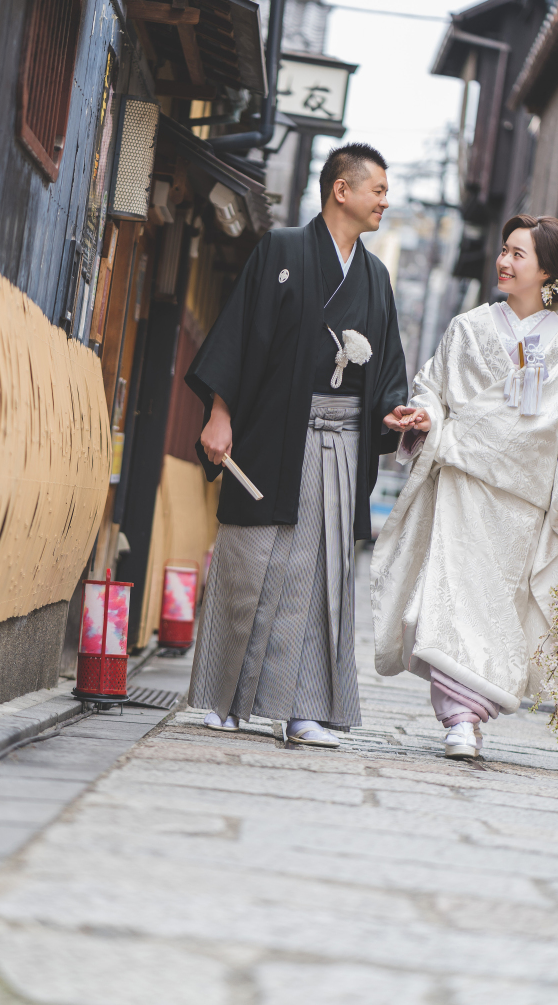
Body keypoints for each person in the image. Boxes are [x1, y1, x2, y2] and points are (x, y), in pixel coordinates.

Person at [185, 143, 408, 748]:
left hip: (341, 445)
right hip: (270, 435)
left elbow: (386, 370)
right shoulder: (282, 251)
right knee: (251, 560)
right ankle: (226, 700)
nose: (386, 200)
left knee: (321, 574)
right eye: (378, 189)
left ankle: (305, 708)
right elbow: (240, 337)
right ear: (343, 190)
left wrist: (397, 413)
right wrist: (219, 415)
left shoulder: (375, 276)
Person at [371, 214, 558, 759]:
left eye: (518, 254)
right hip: (465, 484)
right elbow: (435, 387)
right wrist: (424, 415)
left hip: (523, 500)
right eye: (503, 250)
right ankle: (461, 720)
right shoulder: (469, 327)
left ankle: (473, 712)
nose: (503, 261)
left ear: (547, 269)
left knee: (500, 606)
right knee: (455, 595)